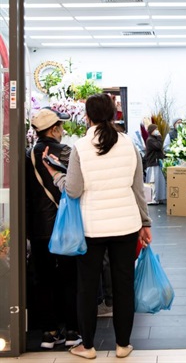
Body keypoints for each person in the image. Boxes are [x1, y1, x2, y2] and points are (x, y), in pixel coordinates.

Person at [43, 93, 152, 360]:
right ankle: (123, 345)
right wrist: (145, 223)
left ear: (88, 117)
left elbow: (74, 189)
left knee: (87, 287)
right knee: (123, 285)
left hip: (91, 229)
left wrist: (56, 175)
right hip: (126, 225)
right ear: (114, 115)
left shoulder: (80, 146)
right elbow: (138, 190)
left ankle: (88, 346)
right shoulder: (130, 145)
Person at [25, 108, 81, 350]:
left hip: (38, 228)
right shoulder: (66, 152)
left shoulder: (27, 155)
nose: (63, 130)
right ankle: (71, 331)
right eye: (60, 126)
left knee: (43, 280)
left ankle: (48, 333)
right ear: (54, 129)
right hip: (64, 225)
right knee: (69, 278)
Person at [144, 123, 166, 203]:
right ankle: (152, 198)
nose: (157, 131)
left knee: (158, 180)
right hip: (153, 162)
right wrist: (160, 137)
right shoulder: (150, 140)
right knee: (153, 180)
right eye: (155, 130)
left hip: (156, 162)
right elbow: (158, 146)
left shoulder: (153, 139)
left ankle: (158, 197)